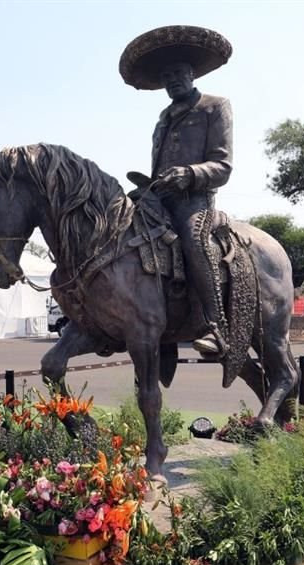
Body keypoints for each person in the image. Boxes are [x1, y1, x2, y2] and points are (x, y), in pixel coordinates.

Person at [120, 25, 233, 357]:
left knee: (195, 244)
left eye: (178, 73)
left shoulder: (215, 106)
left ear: (192, 74)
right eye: (166, 75)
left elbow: (223, 166)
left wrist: (189, 174)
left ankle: (214, 327)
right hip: (158, 199)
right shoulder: (162, 118)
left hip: (194, 201)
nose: (172, 80)